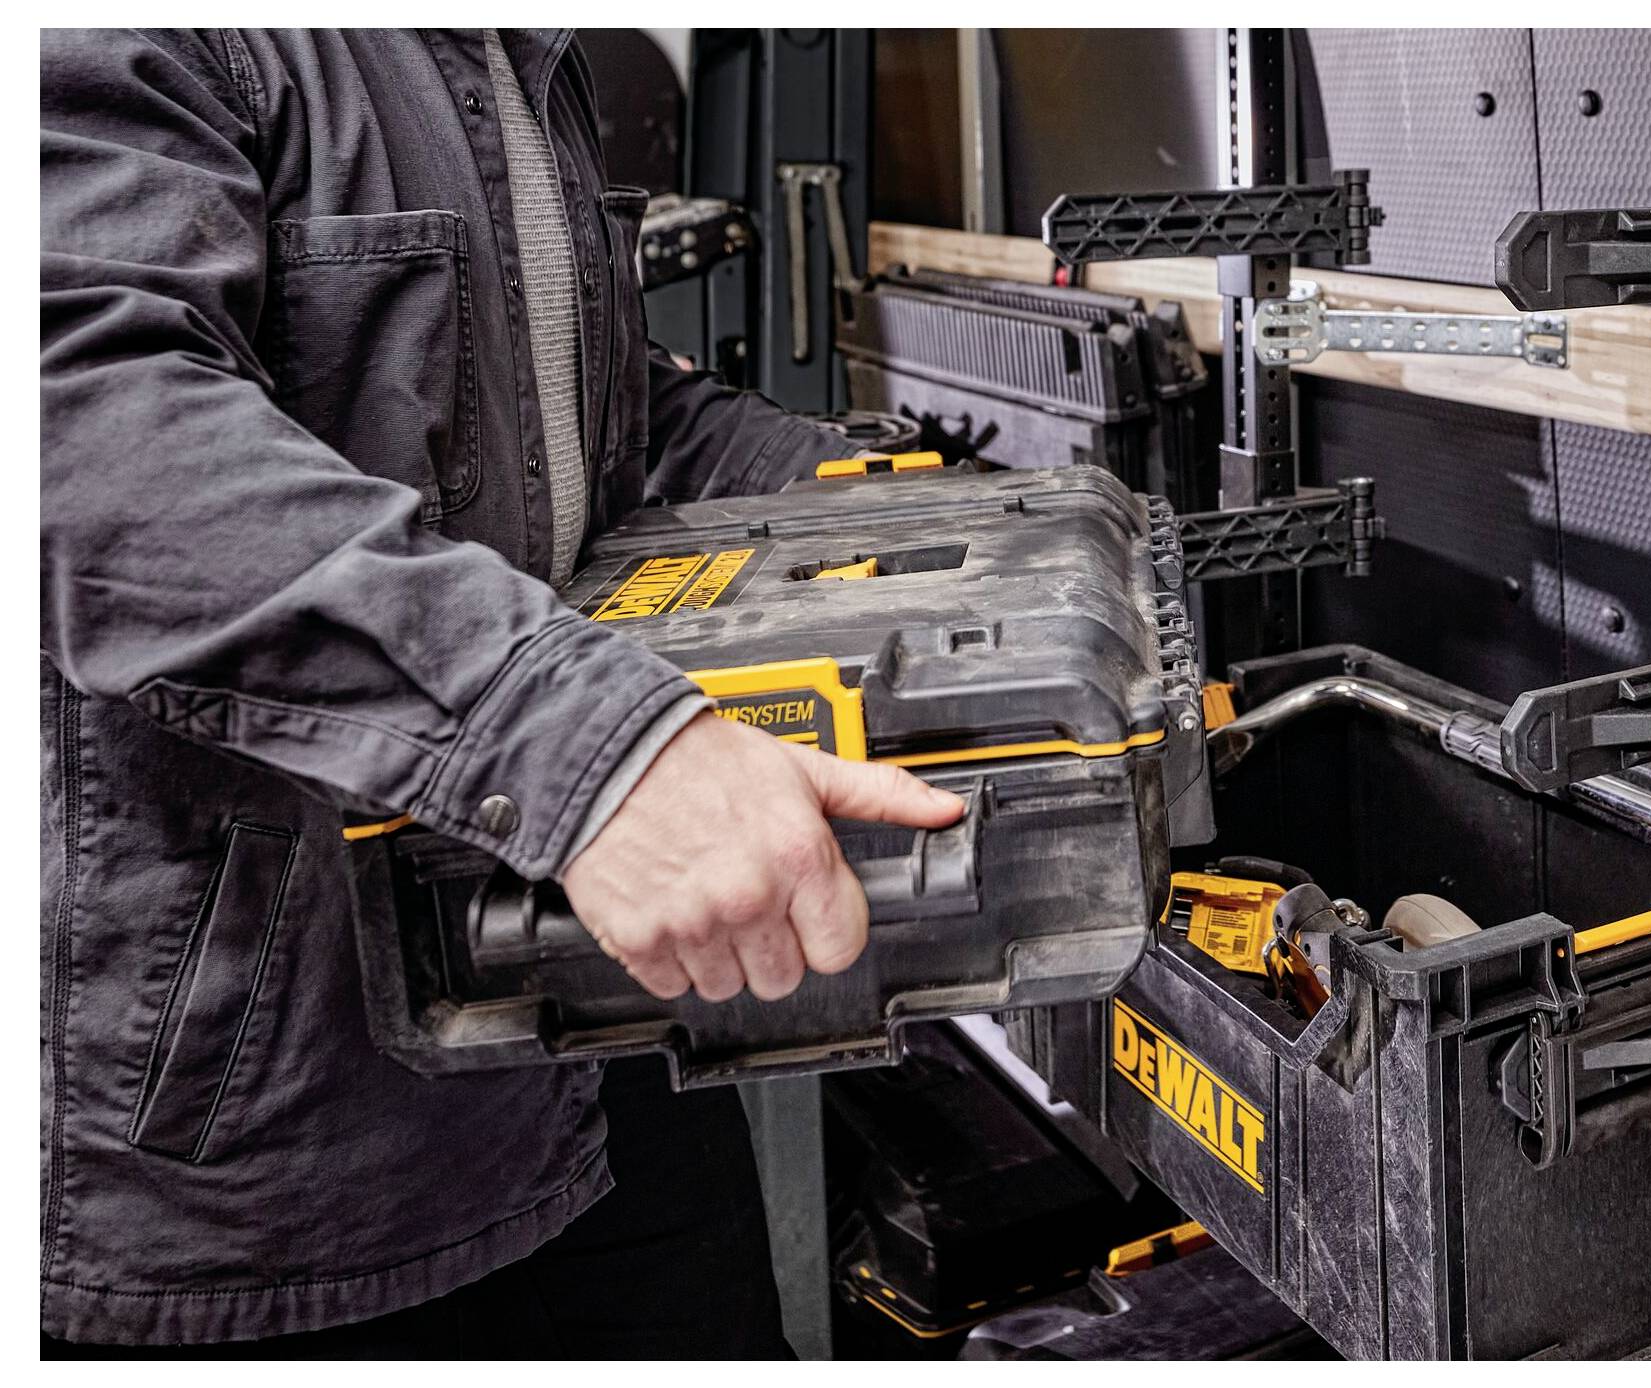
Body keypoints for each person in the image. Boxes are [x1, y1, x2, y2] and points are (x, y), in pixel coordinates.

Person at [40, 28, 962, 1355]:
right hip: (271, 1111)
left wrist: (844, 491)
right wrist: (597, 755)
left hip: (578, 1002)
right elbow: (92, 438)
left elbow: (572, 411)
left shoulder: (518, 58)